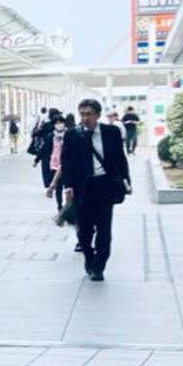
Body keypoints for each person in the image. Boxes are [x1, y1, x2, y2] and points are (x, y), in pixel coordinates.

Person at [53, 98, 131, 281]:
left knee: (104, 228)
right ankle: (89, 257)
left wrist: (127, 180)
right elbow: (67, 162)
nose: (85, 118)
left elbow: (120, 158)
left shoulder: (111, 132)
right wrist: (68, 185)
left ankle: (99, 267)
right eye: (82, 114)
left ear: (97, 115)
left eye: (89, 114)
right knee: (85, 230)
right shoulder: (73, 135)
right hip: (83, 188)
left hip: (105, 186)